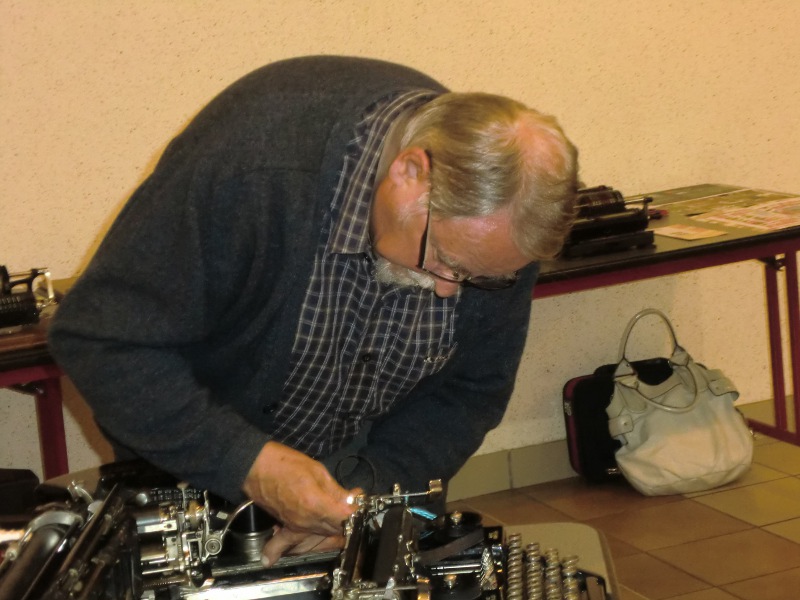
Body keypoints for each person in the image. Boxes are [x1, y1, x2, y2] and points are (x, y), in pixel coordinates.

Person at [48, 55, 579, 564]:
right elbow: (102, 340)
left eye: (475, 278)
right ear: (409, 173)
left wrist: (365, 494)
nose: (448, 290)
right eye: (443, 259)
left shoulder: (500, 225)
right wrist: (248, 464)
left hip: (365, 473)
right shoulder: (252, 167)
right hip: (200, 461)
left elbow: (469, 391)